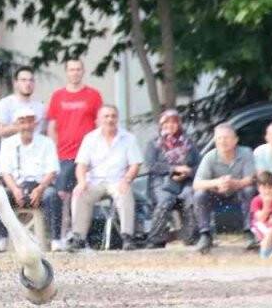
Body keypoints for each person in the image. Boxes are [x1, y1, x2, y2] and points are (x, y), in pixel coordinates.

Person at [68, 105, 142, 251]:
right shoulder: (90, 139)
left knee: (125, 191)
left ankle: (127, 237)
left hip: (117, 180)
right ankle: (79, 238)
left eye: (113, 116)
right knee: (79, 193)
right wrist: (82, 182)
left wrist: (127, 179)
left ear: (117, 118)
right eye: (106, 116)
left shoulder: (128, 138)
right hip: (95, 181)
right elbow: (81, 165)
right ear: (99, 120)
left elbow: (135, 164)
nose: (110, 119)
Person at [0, 107, 61, 252]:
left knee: (52, 195)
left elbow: (52, 171)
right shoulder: (8, 143)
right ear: (16, 125)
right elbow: (5, 172)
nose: (26, 126)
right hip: (17, 186)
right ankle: (1, 239)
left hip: (40, 186)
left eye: (30, 122)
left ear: (35, 124)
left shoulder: (46, 143)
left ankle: (56, 240)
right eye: (22, 122)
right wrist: (15, 189)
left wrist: (40, 188)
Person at [46, 59, 104, 218]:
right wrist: (55, 151)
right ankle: (61, 235)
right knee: (61, 195)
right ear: (66, 72)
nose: (75, 72)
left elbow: (100, 124)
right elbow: (52, 126)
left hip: (87, 157)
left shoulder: (93, 95)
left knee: (84, 195)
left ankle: (81, 235)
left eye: (78, 69)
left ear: (83, 71)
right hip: (64, 155)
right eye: (71, 69)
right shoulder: (58, 96)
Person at [192, 123, 257, 254]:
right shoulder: (209, 157)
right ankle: (205, 234)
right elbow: (196, 183)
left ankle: (250, 232)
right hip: (217, 193)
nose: (223, 141)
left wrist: (234, 183)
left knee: (249, 190)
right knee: (199, 195)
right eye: (219, 138)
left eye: (227, 138)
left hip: (238, 192)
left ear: (235, 140)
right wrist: (217, 183)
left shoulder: (246, 153)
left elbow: (251, 179)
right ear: (215, 140)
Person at [143, 109, 199, 248]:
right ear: (161, 125)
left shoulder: (189, 142)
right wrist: (173, 169)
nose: (170, 125)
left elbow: (199, 163)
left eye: (174, 122)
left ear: (179, 124)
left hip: (185, 181)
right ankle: (155, 239)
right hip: (161, 182)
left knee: (191, 197)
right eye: (166, 122)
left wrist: (189, 171)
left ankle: (190, 236)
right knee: (165, 200)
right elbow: (151, 165)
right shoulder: (154, 143)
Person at [0, 68, 47, 139]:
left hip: (36, 149)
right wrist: (24, 125)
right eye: (23, 80)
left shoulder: (40, 107)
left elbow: (45, 132)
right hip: (13, 149)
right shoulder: (5, 104)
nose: (28, 83)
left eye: (31, 80)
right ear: (15, 83)